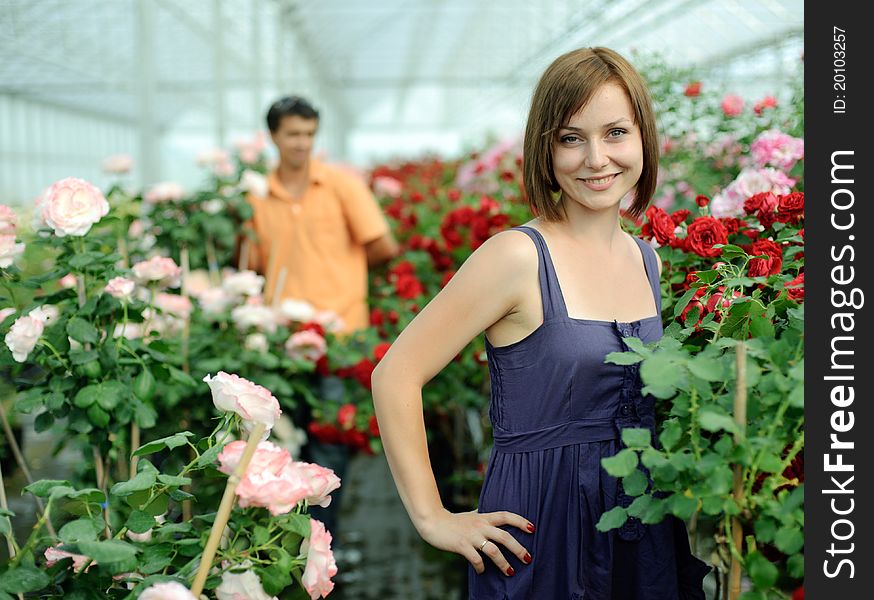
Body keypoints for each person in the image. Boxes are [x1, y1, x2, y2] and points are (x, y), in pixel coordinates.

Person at [371, 47, 710, 598]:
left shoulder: (646, 258)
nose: (596, 158)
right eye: (571, 138)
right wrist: (433, 518)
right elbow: (395, 375)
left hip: (641, 525)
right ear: (545, 150)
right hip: (540, 531)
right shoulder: (517, 257)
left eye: (616, 133)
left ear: (644, 138)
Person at [243, 95, 399, 543]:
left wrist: (342, 276)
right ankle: (285, 537)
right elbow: (250, 264)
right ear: (273, 136)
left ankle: (320, 538)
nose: (301, 143)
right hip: (280, 340)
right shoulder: (257, 196)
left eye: (309, 134)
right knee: (283, 437)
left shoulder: (341, 185)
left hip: (340, 336)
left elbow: (383, 245)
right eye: (293, 134)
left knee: (331, 436)